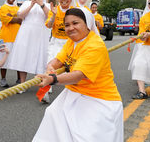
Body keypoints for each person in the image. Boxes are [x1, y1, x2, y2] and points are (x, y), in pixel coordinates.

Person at [33, 8, 123, 142]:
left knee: (85, 136)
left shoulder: (95, 45)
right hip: (74, 92)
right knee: (52, 116)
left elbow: (77, 75)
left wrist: (52, 79)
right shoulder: (72, 41)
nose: (70, 28)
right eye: (67, 25)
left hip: (99, 98)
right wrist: (50, 67)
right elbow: (58, 60)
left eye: (75, 23)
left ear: (87, 24)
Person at [5, 0, 50, 94]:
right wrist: (31, 5)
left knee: (41, 57)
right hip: (26, 32)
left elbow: (50, 16)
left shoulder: (47, 5)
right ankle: (22, 84)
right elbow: (20, 15)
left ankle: (43, 83)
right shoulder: (26, 3)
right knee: (23, 56)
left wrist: (41, 4)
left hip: (40, 33)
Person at [0, 0, 21, 87]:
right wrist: (16, 19)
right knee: (3, 58)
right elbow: (7, 19)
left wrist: (13, 18)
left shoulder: (18, 8)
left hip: (17, 37)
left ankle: (19, 79)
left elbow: (22, 20)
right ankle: (3, 79)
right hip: (5, 36)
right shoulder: (3, 8)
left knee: (18, 59)